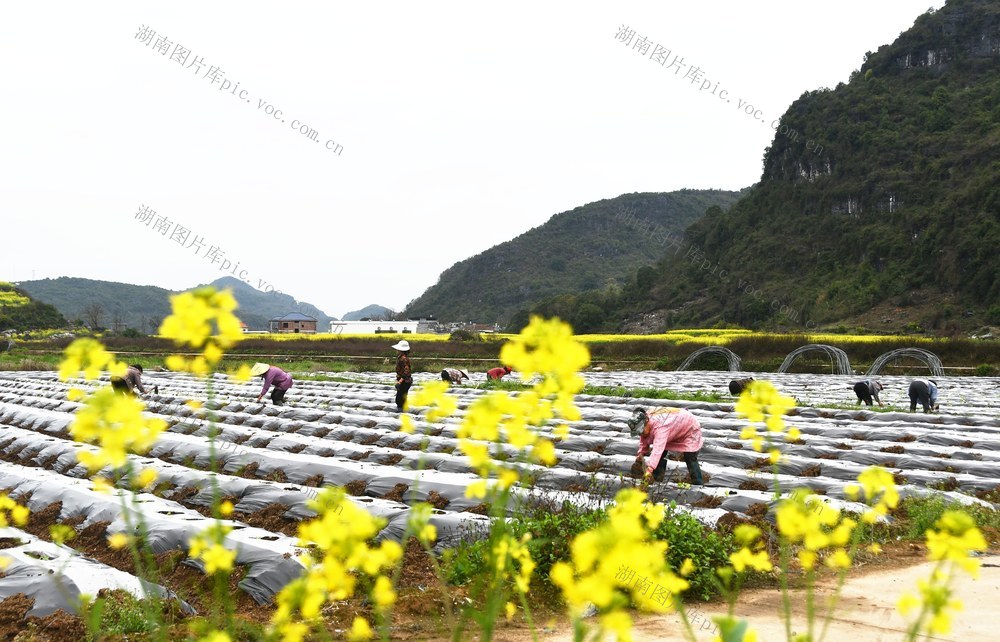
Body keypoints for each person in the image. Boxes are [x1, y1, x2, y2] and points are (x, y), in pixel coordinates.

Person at [627, 406, 704, 485]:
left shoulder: (660, 428)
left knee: (689, 456)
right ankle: (657, 481)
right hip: (673, 427)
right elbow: (643, 438)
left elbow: (657, 450)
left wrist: (649, 470)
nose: (641, 434)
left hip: (689, 427)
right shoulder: (645, 420)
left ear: (647, 422)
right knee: (660, 455)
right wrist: (641, 454)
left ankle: (698, 484)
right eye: (639, 433)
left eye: (642, 431)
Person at [393, 340, 412, 411]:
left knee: (400, 400)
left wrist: (400, 382)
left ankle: (402, 412)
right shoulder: (400, 357)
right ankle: (402, 411)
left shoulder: (404, 359)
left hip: (405, 381)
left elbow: (406, 371)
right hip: (403, 381)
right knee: (401, 399)